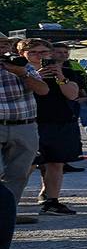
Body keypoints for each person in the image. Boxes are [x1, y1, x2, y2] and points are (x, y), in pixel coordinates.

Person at [20, 39, 85, 217]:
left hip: (61, 121)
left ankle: (52, 201)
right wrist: (37, 77)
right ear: (23, 54)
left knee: (56, 163)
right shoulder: (19, 72)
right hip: (30, 122)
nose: (40, 56)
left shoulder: (67, 71)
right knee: (28, 165)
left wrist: (60, 78)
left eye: (44, 53)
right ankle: (11, 201)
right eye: (34, 52)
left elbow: (72, 95)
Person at [0, 45, 44, 225]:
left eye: (5, 45)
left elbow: (43, 90)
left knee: (19, 174)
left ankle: (7, 214)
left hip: (25, 125)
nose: (3, 49)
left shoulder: (24, 66)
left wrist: (22, 73)